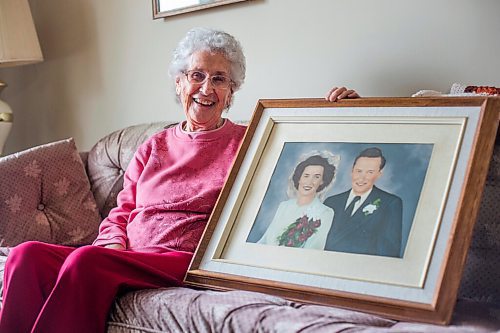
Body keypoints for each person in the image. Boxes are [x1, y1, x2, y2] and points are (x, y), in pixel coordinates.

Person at [0, 27, 359, 333]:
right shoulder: (153, 146)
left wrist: (344, 112)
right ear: (179, 82)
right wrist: (112, 246)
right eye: (197, 75)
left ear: (231, 92)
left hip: (191, 259)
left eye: (219, 79)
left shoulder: (251, 142)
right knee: (24, 255)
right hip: (134, 256)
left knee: (85, 263)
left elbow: (306, 160)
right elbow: (121, 213)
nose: (206, 88)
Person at [324, 147, 403, 257]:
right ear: (352, 171)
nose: (362, 178)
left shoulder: (390, 203)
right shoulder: (331, 202)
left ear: (379, 174)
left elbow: (388, 252)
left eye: (370, 172)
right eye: (359, 171)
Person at [257, 151, 339, 250]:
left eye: (316, 177)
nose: (309, 182)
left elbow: (313, 250)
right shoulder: (284, 206)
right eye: (306, 176)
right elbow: (265, 240)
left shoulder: (325, 213)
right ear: (299, 178)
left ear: (322, 181)